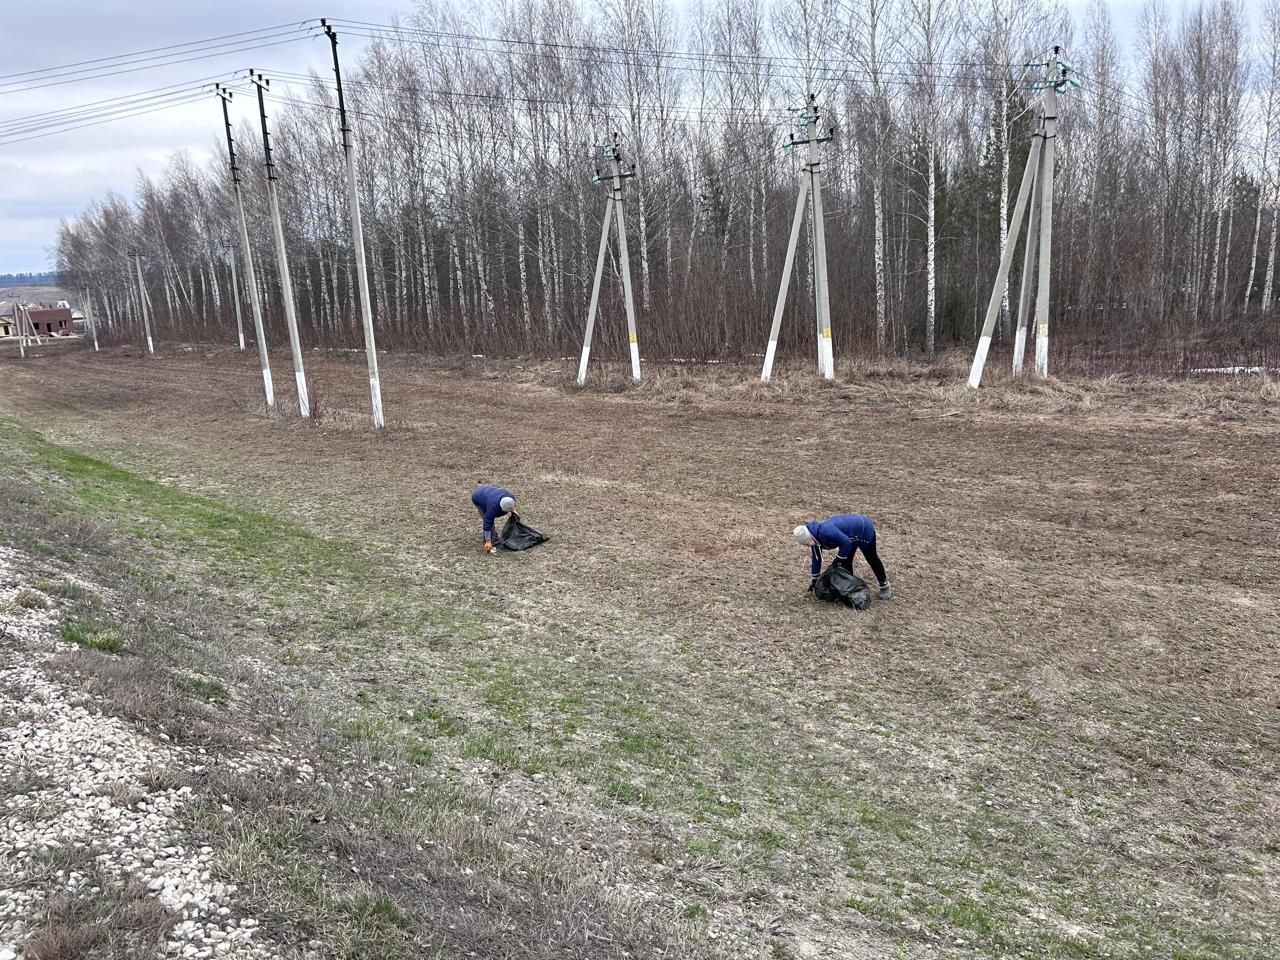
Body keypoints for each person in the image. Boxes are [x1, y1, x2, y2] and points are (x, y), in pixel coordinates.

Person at [793, 514, 893, 600]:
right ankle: (849, 588)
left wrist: (838, 559)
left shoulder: (825, 532)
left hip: (863, 528)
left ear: (809, 537)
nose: (808, 546)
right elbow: (816, 558)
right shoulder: (814, 538)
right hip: (850, 536)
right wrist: (815, 579)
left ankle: (884, 585)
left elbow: (846, 543)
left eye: (807, 543)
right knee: (846, 561)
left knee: (871, 558)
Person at [472, 484, 518, 552]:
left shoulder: (511, 498)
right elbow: (487, 523)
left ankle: (492, 537)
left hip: (488, 491)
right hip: (478, 497)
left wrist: (513, 511)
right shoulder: (492, 507)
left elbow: (511, 505)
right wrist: (488, 541)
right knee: (488, 521)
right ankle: (491, 539)